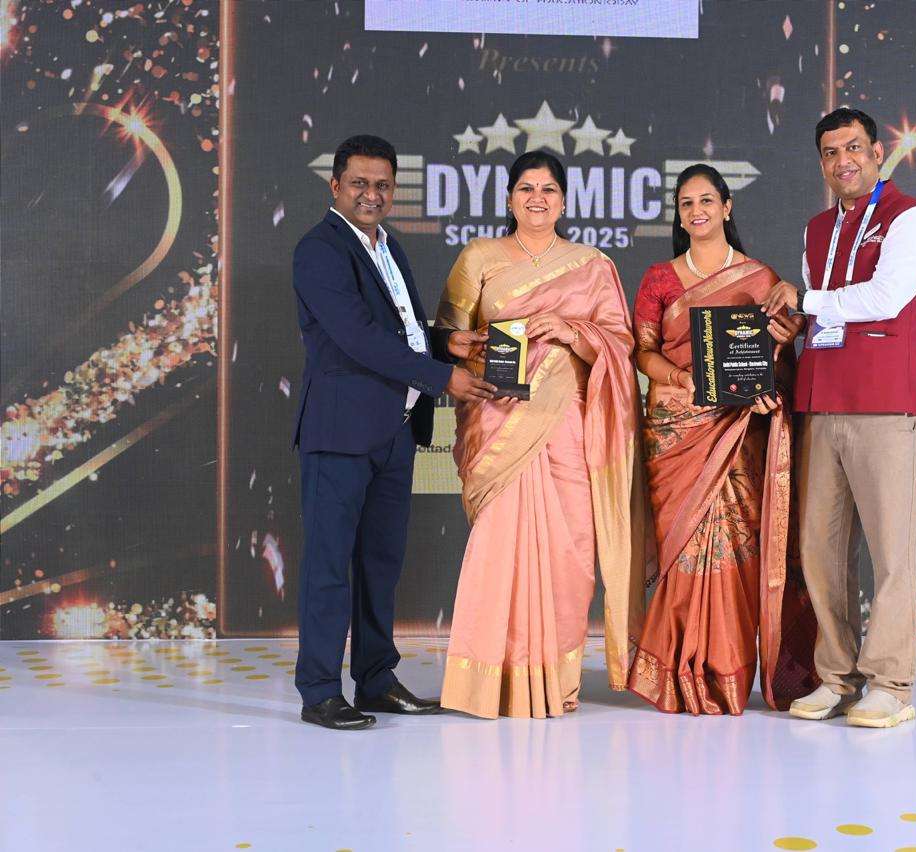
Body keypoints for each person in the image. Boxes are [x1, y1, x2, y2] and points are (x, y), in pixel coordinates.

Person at [291, 134, 497, 730]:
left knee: (380, 564)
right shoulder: (319, 250)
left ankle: (376, 679)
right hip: (340, 432)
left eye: (382, 185)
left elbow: (400, 331)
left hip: (394, 430)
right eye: (359, 183)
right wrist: (442, 376)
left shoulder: (390, 247)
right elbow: (357, 337)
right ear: (336, 186)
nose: (371, 194)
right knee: (330, 564)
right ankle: (320, 691)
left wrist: (445, 344)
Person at [435, 151, 647, 719]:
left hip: (568, 428)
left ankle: (556, 681)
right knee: (499, 549)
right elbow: (445, 336)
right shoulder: (479, 257)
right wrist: (457, 344)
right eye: (526, 188)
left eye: (548, 189)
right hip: (499, 419)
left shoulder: (593, 265)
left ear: (564, 200)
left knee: (570, 553)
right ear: (509, 199)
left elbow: (621, 346)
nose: (537, 198)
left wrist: (573, 331)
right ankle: (490, 683)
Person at [762, 108, 916, 728]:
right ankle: (836, 677)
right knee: (821, 552)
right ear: (821, 162)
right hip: (821, 399)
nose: (844, 161)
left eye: (855, 148)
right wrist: (792, 324)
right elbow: (822, 315)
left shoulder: (909, 217)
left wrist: (806, 299)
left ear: (877, 152)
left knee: (892, 550)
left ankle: (891, 684)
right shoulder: (817, 229)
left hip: (884, 403)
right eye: (831, 152)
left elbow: (887, 297)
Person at [626, 164, 817, 715]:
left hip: (739, 433)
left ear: (727, 207)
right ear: (678, 213)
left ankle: (727, 674)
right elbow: (643, 352)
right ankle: (676, 675)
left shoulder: (760, 278)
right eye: (686, 203)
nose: (697, 211)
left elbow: (777, 360)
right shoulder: (659, 279)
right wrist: (682, 379)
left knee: (735, 554)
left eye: (707, 200)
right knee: (685, 551)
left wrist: (771, 381)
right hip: (677, 430)